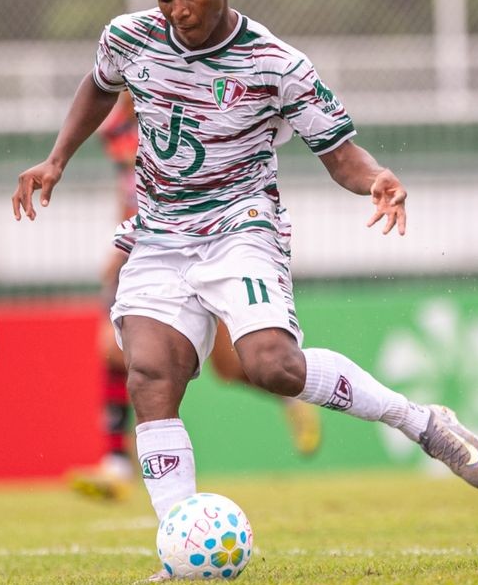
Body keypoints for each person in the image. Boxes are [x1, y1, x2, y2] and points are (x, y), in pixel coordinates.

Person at [14, 0, 478, 571]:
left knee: (272, 367)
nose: (178, 11)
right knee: (150, 375)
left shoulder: (276, 64)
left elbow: (340, 154)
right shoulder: (128, 37)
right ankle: (180, 549)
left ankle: (421, 422)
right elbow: (99, 85)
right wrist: (56, 159)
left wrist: (377, 178)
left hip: (240, 228)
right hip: (158, 234)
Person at [67, 91, 322, 502]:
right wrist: (121, 242)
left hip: (207, 244)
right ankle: (115, 463)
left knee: (230, 367)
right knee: (113, 350)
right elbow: (129, 190)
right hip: (150, 247)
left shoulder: (187, 104)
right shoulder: (114, 127)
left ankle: (289, 399)